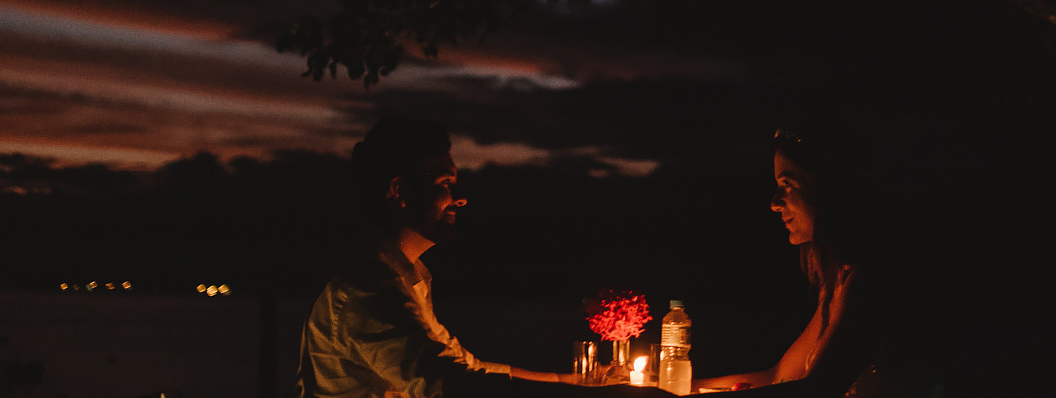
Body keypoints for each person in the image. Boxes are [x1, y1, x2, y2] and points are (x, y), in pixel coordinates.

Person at [297, 116, 668, 398]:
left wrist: (570, 382)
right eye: (445, 183)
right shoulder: (366, 285)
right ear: (400, 191)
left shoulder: (405, 275)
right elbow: (449, 385)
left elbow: (465, 366)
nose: (461, 198)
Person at [694, 126, 915, 398]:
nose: (775, 203)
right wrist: (676, 388)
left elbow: (818, 389)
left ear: (829, 187)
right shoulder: (836, 281)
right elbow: (779, 376)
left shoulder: (871, 280)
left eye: (787, 184)